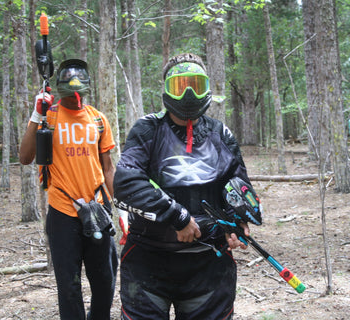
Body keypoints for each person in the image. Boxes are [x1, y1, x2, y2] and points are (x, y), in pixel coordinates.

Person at [113, 53, 262, 320]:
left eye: (196, 84)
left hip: (209, 263)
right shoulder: (148, 129)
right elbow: (125, 183)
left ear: (207, 88)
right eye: (180, 86)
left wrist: (237, 224)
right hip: (149, 262)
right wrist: (178, 217)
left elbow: (238, 188)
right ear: (166, 89)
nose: (189, 94)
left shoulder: (221, 134)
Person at [19, 59, 118, 320]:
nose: (75, 98)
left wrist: (121, 208)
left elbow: (108, 168)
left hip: (98, 209)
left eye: (79, 92)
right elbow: (25, 157)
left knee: (105, 280)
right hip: (63, 213)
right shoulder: (48, 117)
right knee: (69, 285)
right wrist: (36, 114)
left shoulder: (98, 119)